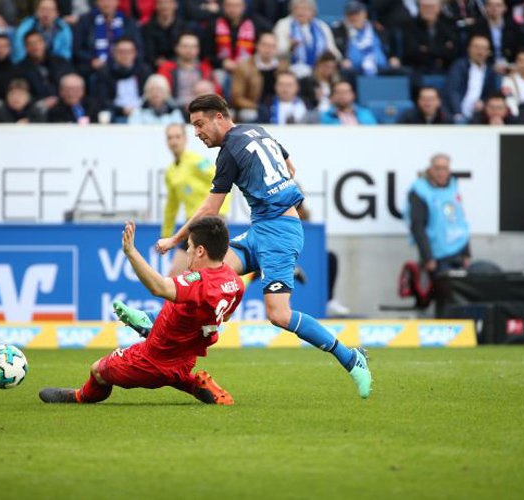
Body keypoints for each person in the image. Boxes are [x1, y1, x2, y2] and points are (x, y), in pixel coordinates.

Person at [153, 94, 372, 399]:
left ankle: (351, 358)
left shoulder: (229, 152)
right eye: (194, 126)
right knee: (209, 272)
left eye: (200, 124)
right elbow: (290, 169)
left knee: (279, 315)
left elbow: (210, 210)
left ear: (219, 117)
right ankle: (161, 324)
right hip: (265, 229)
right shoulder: (256, 130)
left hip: (280, 234)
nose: (198, 133)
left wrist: (174, 240)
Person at [39, 217, 244, 405]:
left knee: (98, 370)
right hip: (184, 357)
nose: (187, 252)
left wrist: (131, 252)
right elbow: (222, 316)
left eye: (188, 247)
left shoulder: (198, 282)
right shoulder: (234, 282)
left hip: (152, 361)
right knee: (173, 367)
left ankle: (79, 396)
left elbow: (159, 287)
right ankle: (195, 384)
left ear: (200, 251)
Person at [162, 124, 231, 276]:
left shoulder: (196, 162)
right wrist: (166, 235)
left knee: (210, 273)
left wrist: (220, 213)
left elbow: (221, 179)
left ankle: (258, 271)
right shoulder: (170, 172)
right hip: (192, 226)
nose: (174, 141)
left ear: (185, 139)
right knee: (178, 275)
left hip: (210, 223)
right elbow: (171, 206)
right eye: (170, 138)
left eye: (177, 137)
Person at [404, 153, 470, 273]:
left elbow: (460, 221)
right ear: (430, 169)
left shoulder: (453, 188)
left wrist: (466, 253)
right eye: (437, 168)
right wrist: (428, 258)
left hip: (458, 254)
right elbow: (417, 226)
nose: (441, 172)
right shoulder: (420, 191)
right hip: (436, 258)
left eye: (445, 168)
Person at [203, 0, 269, 86]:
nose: (232, 9)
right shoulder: (213, 25)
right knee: (218, 76)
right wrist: (222, 62)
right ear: (223, 7)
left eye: (236, 6)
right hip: (220, 69)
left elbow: (258, 53)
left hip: (247, 69)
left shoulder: (254, 26)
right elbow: (206, 54)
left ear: (243, 7)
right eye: (229, 5)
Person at [273, 0, 340, 79]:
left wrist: (332, 55)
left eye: (305, 9)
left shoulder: (322, 26)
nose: (301, 12)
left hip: (319, 71)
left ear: (313, 12)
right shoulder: (283, 25)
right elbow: (276, 51)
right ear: (292, 10)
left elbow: (333, 51)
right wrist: (289, 46)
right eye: (298, 9)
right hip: (292, 69)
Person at [331, 1, 401, 76]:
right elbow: (335, 51)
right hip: (354, 70)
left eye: (357, 13)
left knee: (403, 71)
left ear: (365, 14)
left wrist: (393, 57)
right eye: (350, 14)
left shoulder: (376, 29)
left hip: (381, 67)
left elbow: (389, 46)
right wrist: (342, 60)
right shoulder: (339, 31)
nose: (354, 17)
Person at [231, 31, 288, 122]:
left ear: (276, 49)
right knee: (249, 115)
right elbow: (237, 98)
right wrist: (258, 107)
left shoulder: (282, 67)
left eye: (272, 46)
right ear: (257, 45)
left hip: (277, 106)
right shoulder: (243, 66)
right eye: (264, 45)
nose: (268, 49)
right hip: (253, 108)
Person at [76, 0, 143, 76]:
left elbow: (138, 49)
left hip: (124, 68)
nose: (106, 3)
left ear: (117, 2)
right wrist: (91, 61)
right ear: (97, 2)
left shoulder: (127, 22)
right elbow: (78, 50)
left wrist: (126, 58)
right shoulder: (86, 21)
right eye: (102, 0)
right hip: (95, 70)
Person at [93, 35, 151, 122]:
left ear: (135, 53)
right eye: (121, 52)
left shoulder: (143, 71)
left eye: (128, 52)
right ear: (114, 53)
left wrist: (138, 109)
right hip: (116, 113)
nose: (125, 55)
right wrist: (122, 110)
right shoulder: (105, 72)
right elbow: (103, 100)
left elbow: (148, 95)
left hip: (141, 112)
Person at [444, 34, 499, 123]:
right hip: (457, 111)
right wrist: (458, 112)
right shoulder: (459, 66)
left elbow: (490, 94)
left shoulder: (490, 71)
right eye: (476, 47)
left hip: (478, 114)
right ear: (469, 49)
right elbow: (452, 91)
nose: (479, 51)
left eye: (483, 48)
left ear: (488, 52)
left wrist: (483, 102)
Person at [156, 32, 218, 109]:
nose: (189, 50)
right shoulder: (166, 68)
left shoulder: (205, 68)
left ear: (198, 49)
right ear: (177, 48)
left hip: (201, 108)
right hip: (173, 108)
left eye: (193, 47)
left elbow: (216, 92)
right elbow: (161, 92)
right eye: (185, 46)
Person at [14, 30, 73, 106]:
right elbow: (22, 94)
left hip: (64, 101)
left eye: (37, 42)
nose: (35, 46)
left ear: (44, 43)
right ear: (26, 48)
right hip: (37, 106)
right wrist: (42, 102)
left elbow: (72, 80)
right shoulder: (21, 69)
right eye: (30, 44)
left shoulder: (60, 62)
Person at [468, 0, 524, 74]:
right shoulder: (476, 27)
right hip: (484, 68)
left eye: (498, 5)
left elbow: (521, 48)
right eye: (490, 5)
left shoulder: (514, 27)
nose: (494, 8)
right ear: (486, 7)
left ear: (505, 8)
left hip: (510, 68)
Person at [402, 0, 459, 75]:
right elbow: (413, 52)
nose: (428, 10)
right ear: (419, 8)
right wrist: (442, 50)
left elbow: (454, 52)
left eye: (431, 7)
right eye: (425, 7)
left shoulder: (447, 26)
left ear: (438, 8)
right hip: (418, 71)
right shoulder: (410, 26)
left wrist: (427, 49)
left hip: (445, 69)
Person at [141, 0, 187, 69]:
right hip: (154, 67)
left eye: (168, 2)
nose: (165, 6)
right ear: (156, 6)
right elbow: (148, 53)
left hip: (179, 66)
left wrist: (169, 63)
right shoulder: (148, 28)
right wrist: (156, 61)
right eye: (161, 3)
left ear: (175, 5)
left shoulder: (184, 27)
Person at [501, 49, 524, 115]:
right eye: (520, 61)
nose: (523, 64)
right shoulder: (507, 80)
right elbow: (509, 99)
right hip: (519, 114)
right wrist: (516, 116)